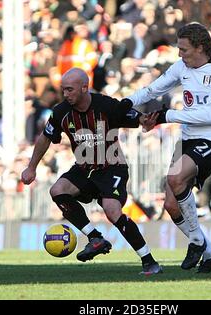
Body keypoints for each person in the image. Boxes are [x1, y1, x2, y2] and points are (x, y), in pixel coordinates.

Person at [21, 68, 162, 275]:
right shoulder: (61, 112)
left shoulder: (106, 105)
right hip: (84, 168)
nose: (66, 94)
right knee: (57, 190)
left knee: (112, 210)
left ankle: (149, 261)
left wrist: (145, 121)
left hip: (112, 167)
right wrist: (31, 167)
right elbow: (45, 137)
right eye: (63, 90)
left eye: (70, 89)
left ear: (84, 88)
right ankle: (95, 238)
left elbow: (136, 117)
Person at [121, 22, 211, 273]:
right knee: (171, 206)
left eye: (184, 49)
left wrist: (165, 116)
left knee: (175, 177)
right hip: (188, 138)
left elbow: (209, 115)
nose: (180, 54)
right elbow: (153, 89)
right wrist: (126, 102)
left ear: (201, 47)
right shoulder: (181, 67)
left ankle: (196, 242)